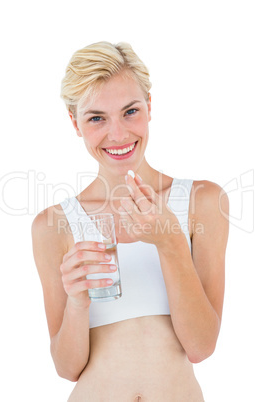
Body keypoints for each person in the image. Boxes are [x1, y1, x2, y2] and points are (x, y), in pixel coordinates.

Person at [32, 41, 229, 401]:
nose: (119, 134)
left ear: (149, 107)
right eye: (96, 118)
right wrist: (78, 302)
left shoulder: (203, 202)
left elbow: (201, 346)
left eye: (130, 111)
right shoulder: (52, 225)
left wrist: (169, 241)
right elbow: (66, 368)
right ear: (75, 123)